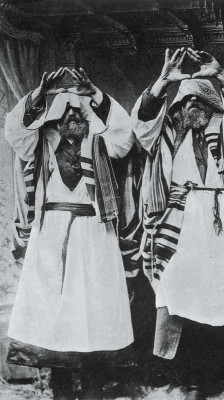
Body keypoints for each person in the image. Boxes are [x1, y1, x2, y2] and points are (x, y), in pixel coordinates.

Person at [131, 48, 224, 392]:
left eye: (200, 101)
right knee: (185, 292)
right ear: (178, 108)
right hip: (182, 223)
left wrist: (221, 75)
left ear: (214, 105)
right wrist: (164, 82)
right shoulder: (169, 134)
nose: (191, 107)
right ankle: (193, 375)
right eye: (185, 103)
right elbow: (141, 123)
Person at [5, 67, 135, 399]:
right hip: (50, 230)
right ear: (52, 117)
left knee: (92, 306)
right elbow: (13, 130)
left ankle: (93, 387)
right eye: (63, 112)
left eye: (77, 110)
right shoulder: (39, 139)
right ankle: (60, 389)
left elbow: (124, 135)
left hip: (93, 229)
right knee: (52, 308)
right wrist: (38, 93)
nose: (70, 117)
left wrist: (95, 93)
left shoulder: (100, 139)